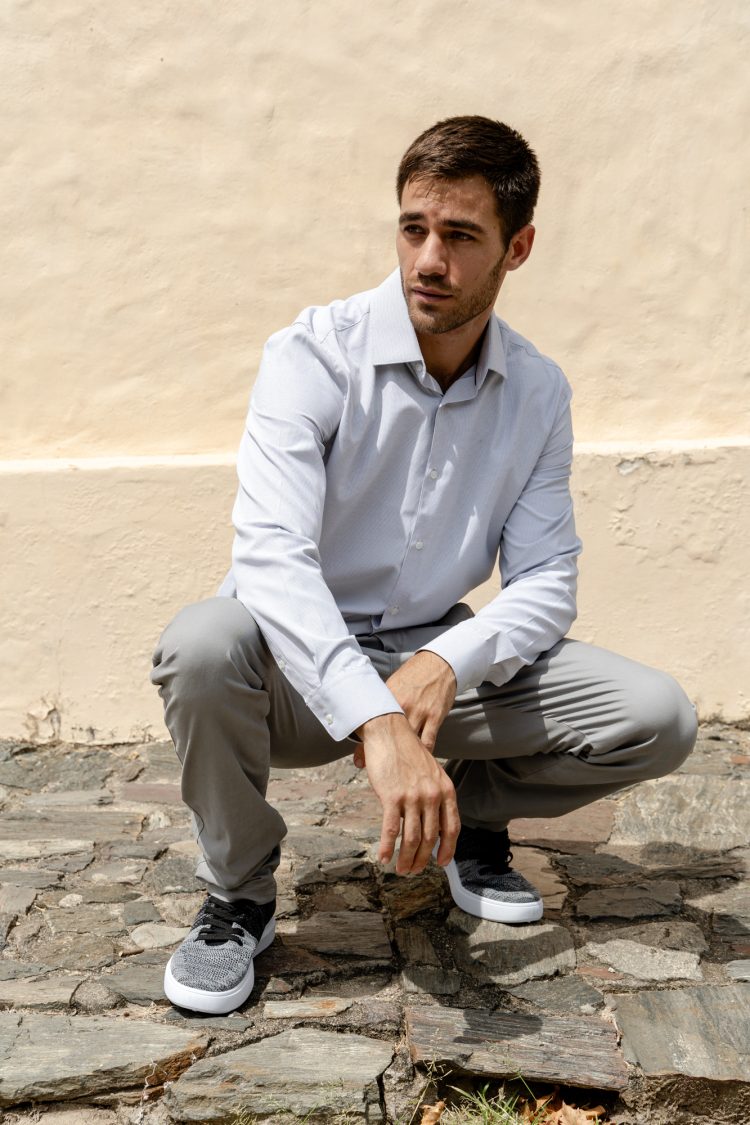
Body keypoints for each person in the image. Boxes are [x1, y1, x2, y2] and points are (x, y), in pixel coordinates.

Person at [151, 115, 697, 1015]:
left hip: (433, 669)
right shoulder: (311, 354)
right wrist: (376, 721)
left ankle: (471, 814)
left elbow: (547, 579)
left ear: (517, 248)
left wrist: (446, 660)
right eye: (413, 229)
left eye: (460, 236)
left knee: (657, 716)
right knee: (201, 643)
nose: (428, 260)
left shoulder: (538, 391)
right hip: (292, 669)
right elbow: (273, 556)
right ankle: (238, 894)